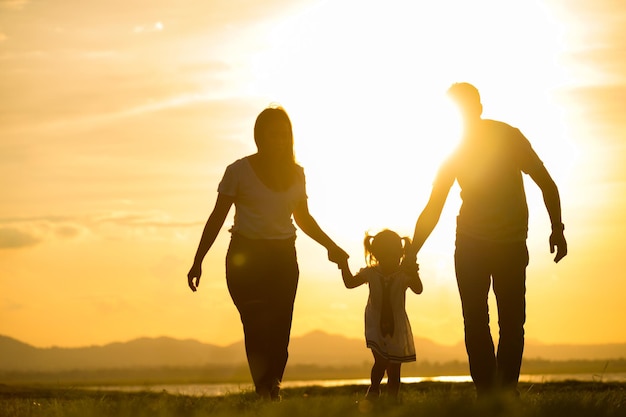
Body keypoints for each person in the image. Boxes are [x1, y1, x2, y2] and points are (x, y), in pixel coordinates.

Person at [406, 82, 568, 398]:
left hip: (509, 245)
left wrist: (557, 228)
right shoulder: (453, 151)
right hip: (470, 245)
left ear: (479, 108)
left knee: (510, 322)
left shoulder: (509, 137)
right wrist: (412, 249)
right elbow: (434, 206)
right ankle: (487, 392)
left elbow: (546, 183)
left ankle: (505, 391)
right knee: (476, 321)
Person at [187, 106, 348, 401]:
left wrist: (332, 246)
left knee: (280, 336)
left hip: (284, 259)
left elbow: (304, 218)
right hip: (246, 258)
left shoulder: (297, 174)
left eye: (284, 135)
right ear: (260, 137)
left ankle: (272, 389)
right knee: (256, 326)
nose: (279, 141)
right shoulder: (238, 171)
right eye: (273, 135)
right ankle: (264, 392)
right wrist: (198, 260)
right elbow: (217, 217)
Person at [339, 229, 423, 401]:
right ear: (376, 254)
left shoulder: (403, 275)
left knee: (395, 367)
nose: (390, 260)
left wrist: (414, 272)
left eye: (394, 256)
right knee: (381, 360)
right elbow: (350, 283)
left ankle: (393, 399)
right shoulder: (370, 273)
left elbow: (418, 290)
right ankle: (374, 389)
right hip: (375, 323)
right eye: (385, 256)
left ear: (401, 254)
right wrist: (343, 264)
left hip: (397, 325)